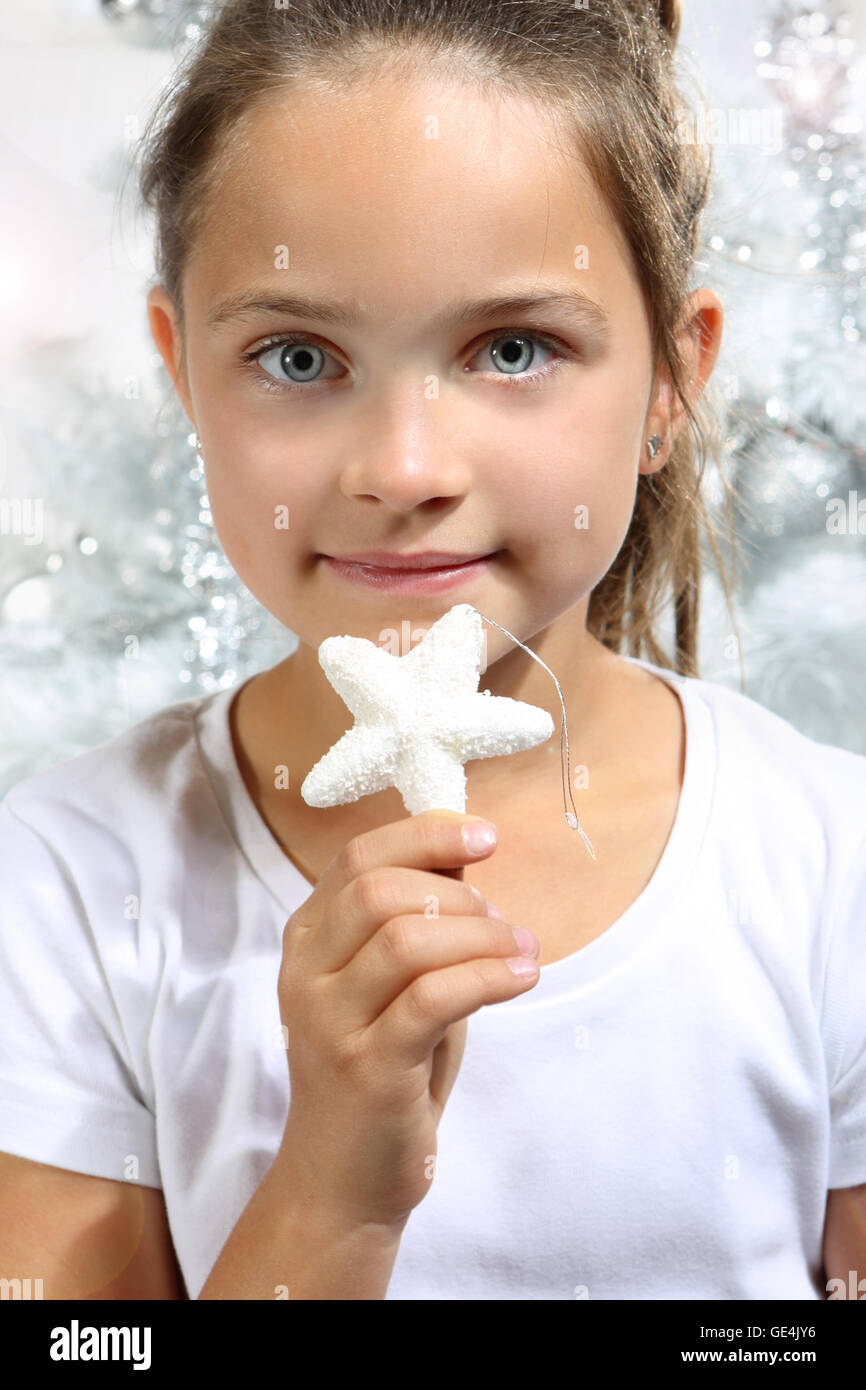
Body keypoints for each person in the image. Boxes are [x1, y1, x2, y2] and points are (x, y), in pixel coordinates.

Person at [0, 0, 864, 1302]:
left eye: (513, 348)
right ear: (182, 372)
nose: (402, 468)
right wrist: (332, 1196)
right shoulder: (68, 888)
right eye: (297, 356)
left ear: (671, 382)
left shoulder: (827, 869)